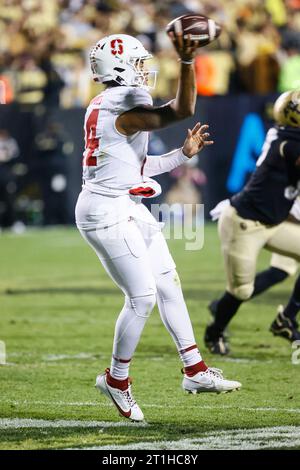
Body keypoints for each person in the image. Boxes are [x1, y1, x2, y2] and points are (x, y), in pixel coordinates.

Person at [75, 32, 241, 422]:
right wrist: (186, 62)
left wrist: (180, 155)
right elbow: (182, 109)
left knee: (168, 280)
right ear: (118, 68)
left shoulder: (107, 103)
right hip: (105, 211)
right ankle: (116, 380)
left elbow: (136, 168)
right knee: (142, 297)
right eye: (137, 63)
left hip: (124, 202)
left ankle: (195, 370)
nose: (142, 70)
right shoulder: (123, 106)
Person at [205, 90, 300, 355]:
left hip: (274, 223)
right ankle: (215, 332)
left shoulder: (284, 134)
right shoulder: (289, 140)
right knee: (241, 291)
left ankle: (288, 318)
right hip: (244, 224)